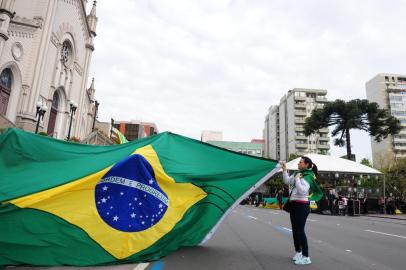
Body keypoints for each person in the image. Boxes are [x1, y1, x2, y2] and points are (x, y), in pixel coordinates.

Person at [281, 156, 323, 265]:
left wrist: (297, 179)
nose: (298, 164)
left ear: (306, 165)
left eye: (300, 162)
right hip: (294, 205)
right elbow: (286, 181)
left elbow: (302, 191)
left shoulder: (308, 176)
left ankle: (306, 256)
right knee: (295, 231)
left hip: (302, 206)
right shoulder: (297, 173)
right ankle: (298, 252)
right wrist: (285, 170)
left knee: (300, 231)